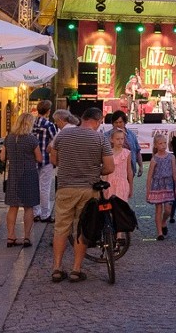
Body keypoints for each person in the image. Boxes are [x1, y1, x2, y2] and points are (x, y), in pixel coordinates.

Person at [49, 107, 114, 283]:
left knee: (61, 228)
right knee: (81, 228)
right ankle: (76, 270)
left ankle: (56, 268)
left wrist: (69, 166)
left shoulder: (62, 135)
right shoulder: (100, 138)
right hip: (88, 189)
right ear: (98, 120)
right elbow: (109, 167)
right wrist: (94, 169)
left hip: (65, 187)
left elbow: (54, 160)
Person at [1, 112, 42, 248]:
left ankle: (11, 236)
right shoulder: (31, 139)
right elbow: (39, 158)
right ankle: (26, 237)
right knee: (28, 207)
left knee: (13, 207)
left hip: (14, 174)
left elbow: (2, 157)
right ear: (29, 124)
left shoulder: (9, 138)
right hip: (29, 174)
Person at [146, 134, 176, 240]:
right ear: (155, 145)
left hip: (168, 184)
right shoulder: (154, 159)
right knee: (158, 209)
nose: (163, 145)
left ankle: (164, 221)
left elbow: (174, 172)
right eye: (160, 143)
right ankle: (159, 232)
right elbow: (149, 176)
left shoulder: (171, 157)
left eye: (165, 143)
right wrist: (148, 191)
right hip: (157, 185)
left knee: (168, 209)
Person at [32, 100, 58, 223]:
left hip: (33, 158)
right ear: (48, 111)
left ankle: (35, 212)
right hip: (46, 159)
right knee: (45, 187)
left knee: (34, 186)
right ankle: (45, 214)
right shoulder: (49, 125)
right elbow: (56, 140)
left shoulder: (31, 123)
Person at [109, 111, 143, 178]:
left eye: (120, 122)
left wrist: (141, 166)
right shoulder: (107, 136)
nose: (118, 124)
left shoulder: (132, 135)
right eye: (116, 122)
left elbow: (137, 151)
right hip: (113, 171)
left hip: (129, 168)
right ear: (112, 123)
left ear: (125, 123)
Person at [104, 128, 133, 204]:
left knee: (122, 208)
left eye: (122, 139)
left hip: (122, 184)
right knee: (110, 207)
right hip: (110, 183)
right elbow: (106, 170)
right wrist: (104, 186)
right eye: (117, 139)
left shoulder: (127, 153)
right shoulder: (108, 153)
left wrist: (131, 186)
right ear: (112, 140)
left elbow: (129, 170)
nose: (120, 141)